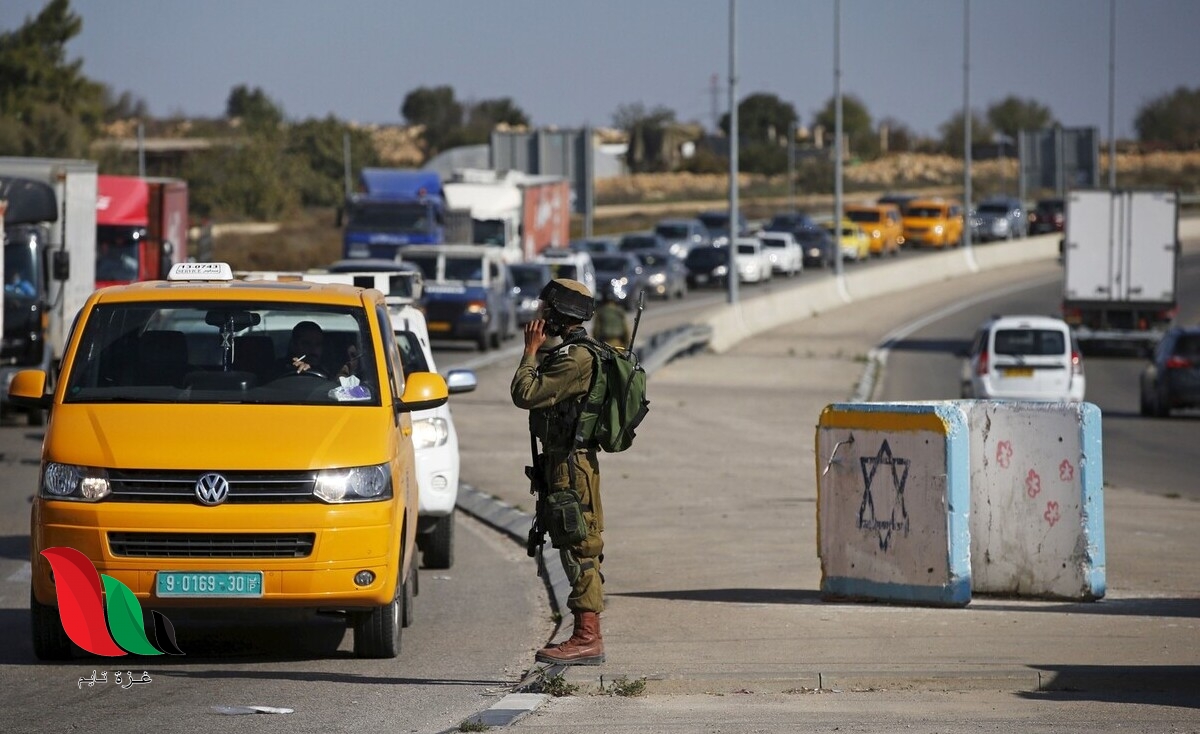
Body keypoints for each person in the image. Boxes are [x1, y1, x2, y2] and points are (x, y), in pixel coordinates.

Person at [511, 278, 607, 666]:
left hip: (572, 466)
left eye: (545, 310)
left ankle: (587, 638)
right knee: (572, 543)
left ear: (562, 314)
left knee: (580, 546)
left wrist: (529, 353)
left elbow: (526, 394)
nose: (539, 316)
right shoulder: (568, 352)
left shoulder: (576, 359)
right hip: (562, 464)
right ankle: (585, 633)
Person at [285, 321, 359, 378]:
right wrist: (293, 371)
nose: (313, 349)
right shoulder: (281, 368)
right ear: (294, 345)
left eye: (318, 344)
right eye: (306, 344)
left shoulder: (332, 370)